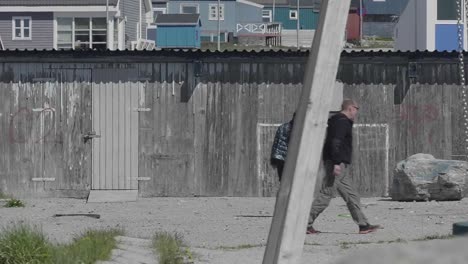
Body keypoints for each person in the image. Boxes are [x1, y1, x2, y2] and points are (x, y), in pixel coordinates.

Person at [306, 99, 381, 235]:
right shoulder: (341, 122)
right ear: (351, 108)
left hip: (339, 164)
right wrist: (335, 162)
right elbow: (336, 142)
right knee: (326, 194)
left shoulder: (338, 121)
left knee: (352, 195)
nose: (356, 113)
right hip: (336, 163)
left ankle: (363, 225)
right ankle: (305, 223)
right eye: (356, 109)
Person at [271, 113, 295, 181]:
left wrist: (273, 158)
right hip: (290, 158)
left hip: (280, 157)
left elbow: (276, 143)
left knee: (282, 180)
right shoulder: (297, 129)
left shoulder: (282, 127)